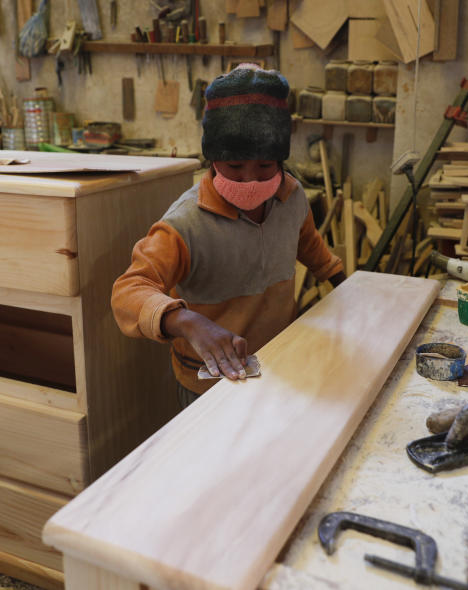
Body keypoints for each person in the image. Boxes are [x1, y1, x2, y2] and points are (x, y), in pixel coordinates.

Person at [111, 64, 346, 408]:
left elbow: (309, 245)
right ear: (212, 156)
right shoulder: (185, 224)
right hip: (209, 385)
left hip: (280, 364)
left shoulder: (290, 196)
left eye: (265, 166)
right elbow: (128, 292)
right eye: (234, 167)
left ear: (281, 159)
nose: (250, 179)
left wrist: (345, 287)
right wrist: (185, 321)